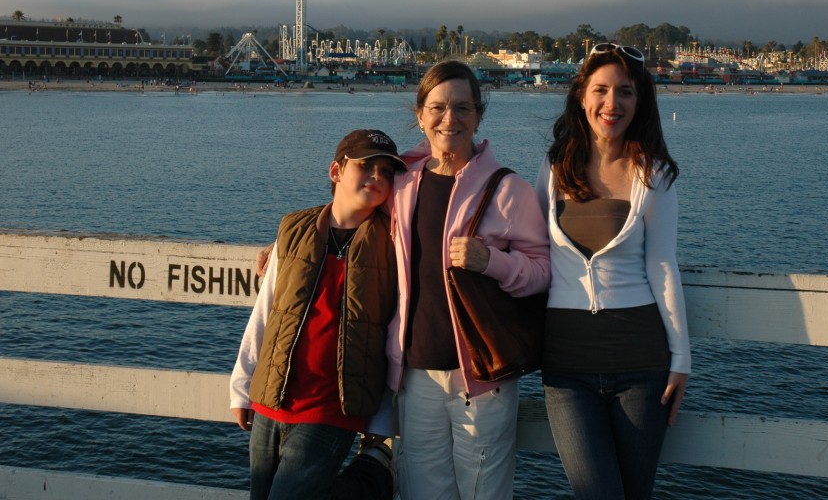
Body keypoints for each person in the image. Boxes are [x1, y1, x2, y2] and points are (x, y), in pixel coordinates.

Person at [387, 60, 550, 500]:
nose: (449, 119)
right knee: (422, 492)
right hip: (416, 372)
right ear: (420, 114)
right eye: (437, 107)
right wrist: (289, 244)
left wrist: (491, 262)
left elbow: (542, 272)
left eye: (462, 107)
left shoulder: (508, 188)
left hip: (481, 376)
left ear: (479, 115)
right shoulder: (401, 183)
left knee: (483, 493)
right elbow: (348, 208)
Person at [535, 43, 690, 500]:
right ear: (582, 97)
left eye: (625, 92)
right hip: (566, 366)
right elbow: (530, 248)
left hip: (641, 363)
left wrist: (681, 359)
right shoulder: (553, 167)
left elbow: (662, 264)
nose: (612, 103)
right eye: (601, 90)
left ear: (639, 101)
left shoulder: (652, 174)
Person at [230, 129, 407, 500]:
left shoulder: (393, 242)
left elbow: (395, 331)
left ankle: (373, 476)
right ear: (336, 171)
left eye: (387, 171)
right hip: (272, 395)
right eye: (366, 166)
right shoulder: (293, 229)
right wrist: (242, 385)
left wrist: (383, 418)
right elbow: (266, 311)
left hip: (332, 405)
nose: (378, 176)